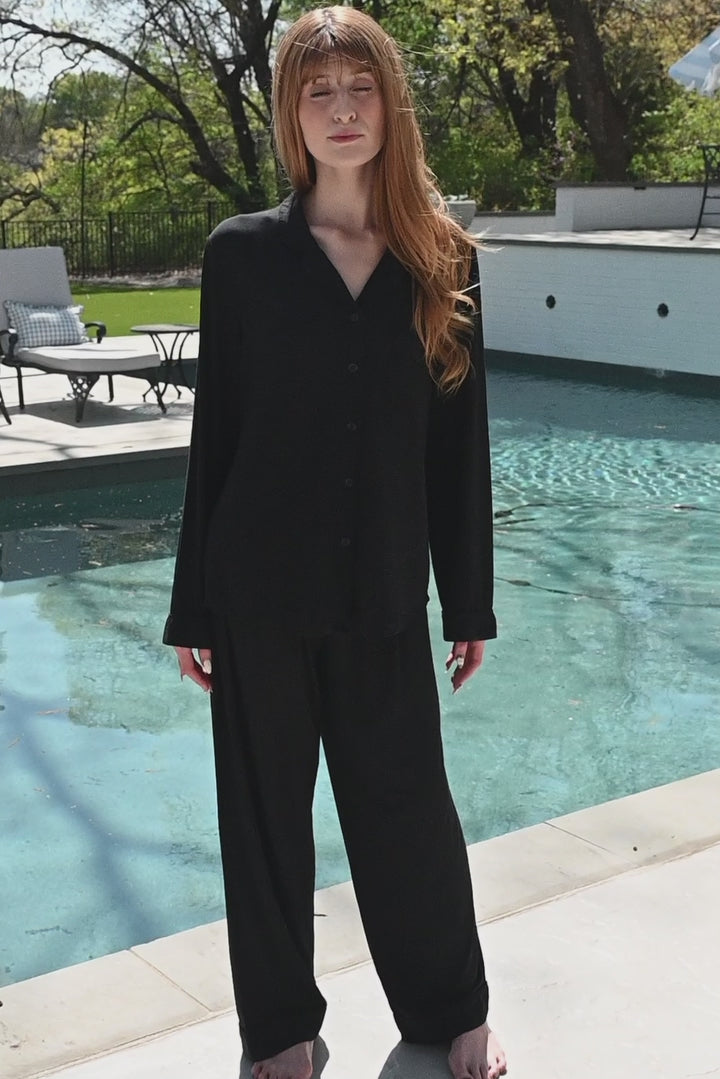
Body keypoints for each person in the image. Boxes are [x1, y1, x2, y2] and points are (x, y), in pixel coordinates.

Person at [163, 7, 507, 1079]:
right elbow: (215, 433)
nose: (344, 108)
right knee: (265, 828)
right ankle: (279, 1031)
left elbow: (460, 446)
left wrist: (472, 601)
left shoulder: (440, 258)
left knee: (408, 812)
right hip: (256, 591)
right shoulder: (243, 256)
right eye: (321, 90)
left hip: (384, 597)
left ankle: (453, 1008)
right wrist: (191, 607)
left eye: (362, 87)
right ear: (291, 113)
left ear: (389, 105)